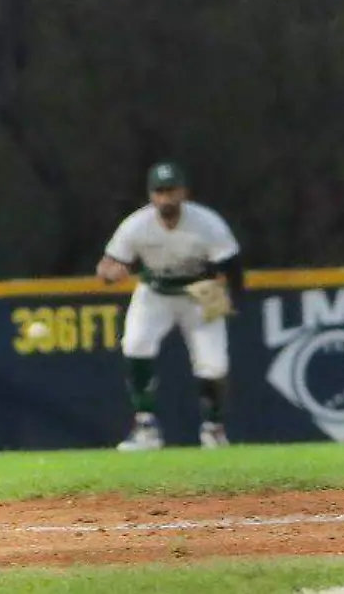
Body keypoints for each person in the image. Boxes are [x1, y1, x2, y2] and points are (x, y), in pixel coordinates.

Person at [96, 161, 244, 452]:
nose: (166, 198)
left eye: (171, 190)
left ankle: (214, 429)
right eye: (160, 191)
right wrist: (110, 274)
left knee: (213, 364)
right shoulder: (137, 224)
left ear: (183, 192)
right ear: (151, 195)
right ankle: (145, 427)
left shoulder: (207, 223)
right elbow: (106, 265)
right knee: (136, 345)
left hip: (200, 291)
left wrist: (229, 297)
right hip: (155, 292)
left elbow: (232, 266)